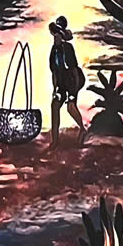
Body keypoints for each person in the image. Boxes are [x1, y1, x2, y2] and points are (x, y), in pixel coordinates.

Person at [48, 15, 85, 148]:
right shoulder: (53, 51)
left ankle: (82, 129)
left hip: (72, 80)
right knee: (55, 105)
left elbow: (74, 69)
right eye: (55, 34)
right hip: (61, 82)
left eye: (58, 35)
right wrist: (55, 89)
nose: (56, 37)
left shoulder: (68, 48)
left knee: (70, 107)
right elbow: (54, 72)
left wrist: (74, 90)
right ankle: (55, 140)